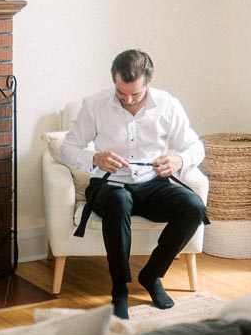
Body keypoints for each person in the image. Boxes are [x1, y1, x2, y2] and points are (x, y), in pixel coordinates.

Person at [59, 49, 208, 319]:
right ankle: (119, 288)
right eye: (121, 93)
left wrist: (179, 160)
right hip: (109, 185)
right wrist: (95, 157)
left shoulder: (168, 105)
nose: (127, 100)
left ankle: (152, 275)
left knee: (193, 207)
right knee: (119, 200)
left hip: (152, 185)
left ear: (149, 82)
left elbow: (196, 147)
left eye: (135, 94)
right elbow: (67, 149)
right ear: (114, 82)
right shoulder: (94, 105)